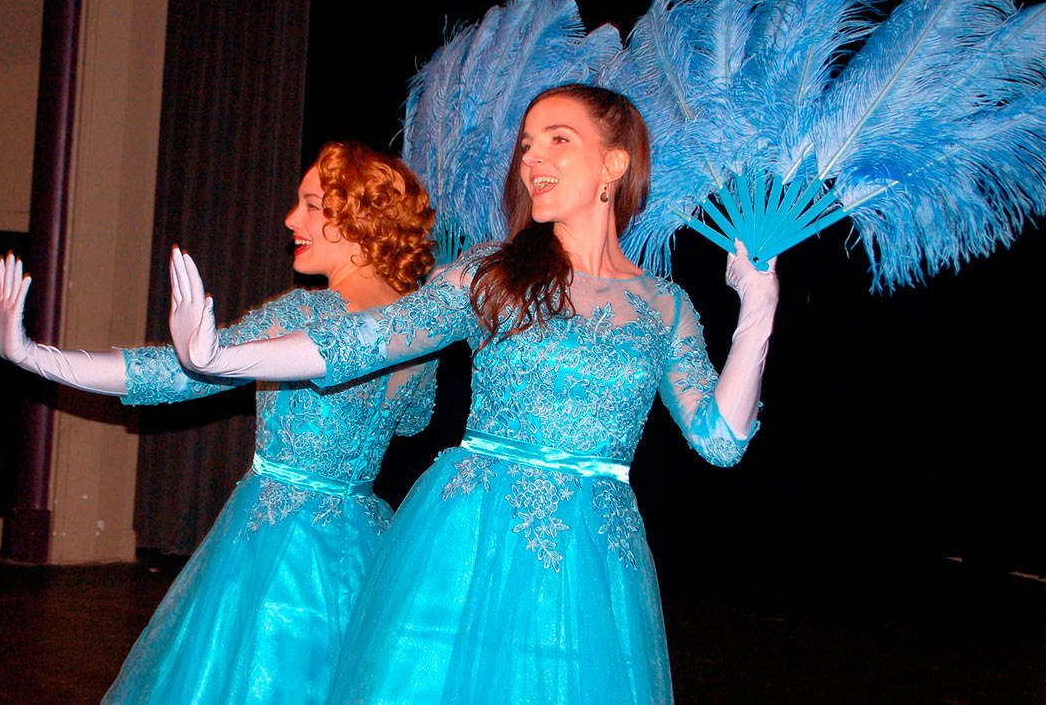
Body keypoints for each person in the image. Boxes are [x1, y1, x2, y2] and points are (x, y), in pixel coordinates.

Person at [167, 84, 780, 703]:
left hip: (587, 563)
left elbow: (721, 442)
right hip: (467, 539)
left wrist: (758, 307)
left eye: (558, 140)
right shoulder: (490, 274)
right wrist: (219, 357)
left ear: (614, 163)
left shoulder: (664, 305)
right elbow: (363, 341)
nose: (532, 159)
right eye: (526, 146)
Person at [0, 142, 439, 704]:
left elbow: (177, 374)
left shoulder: (303, 313)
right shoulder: (419, 332)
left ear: (360, 215)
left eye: (312, 204)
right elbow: (415, 423)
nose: (292, 219)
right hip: (361, 543)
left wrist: (38, 357)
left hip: (276, 545)